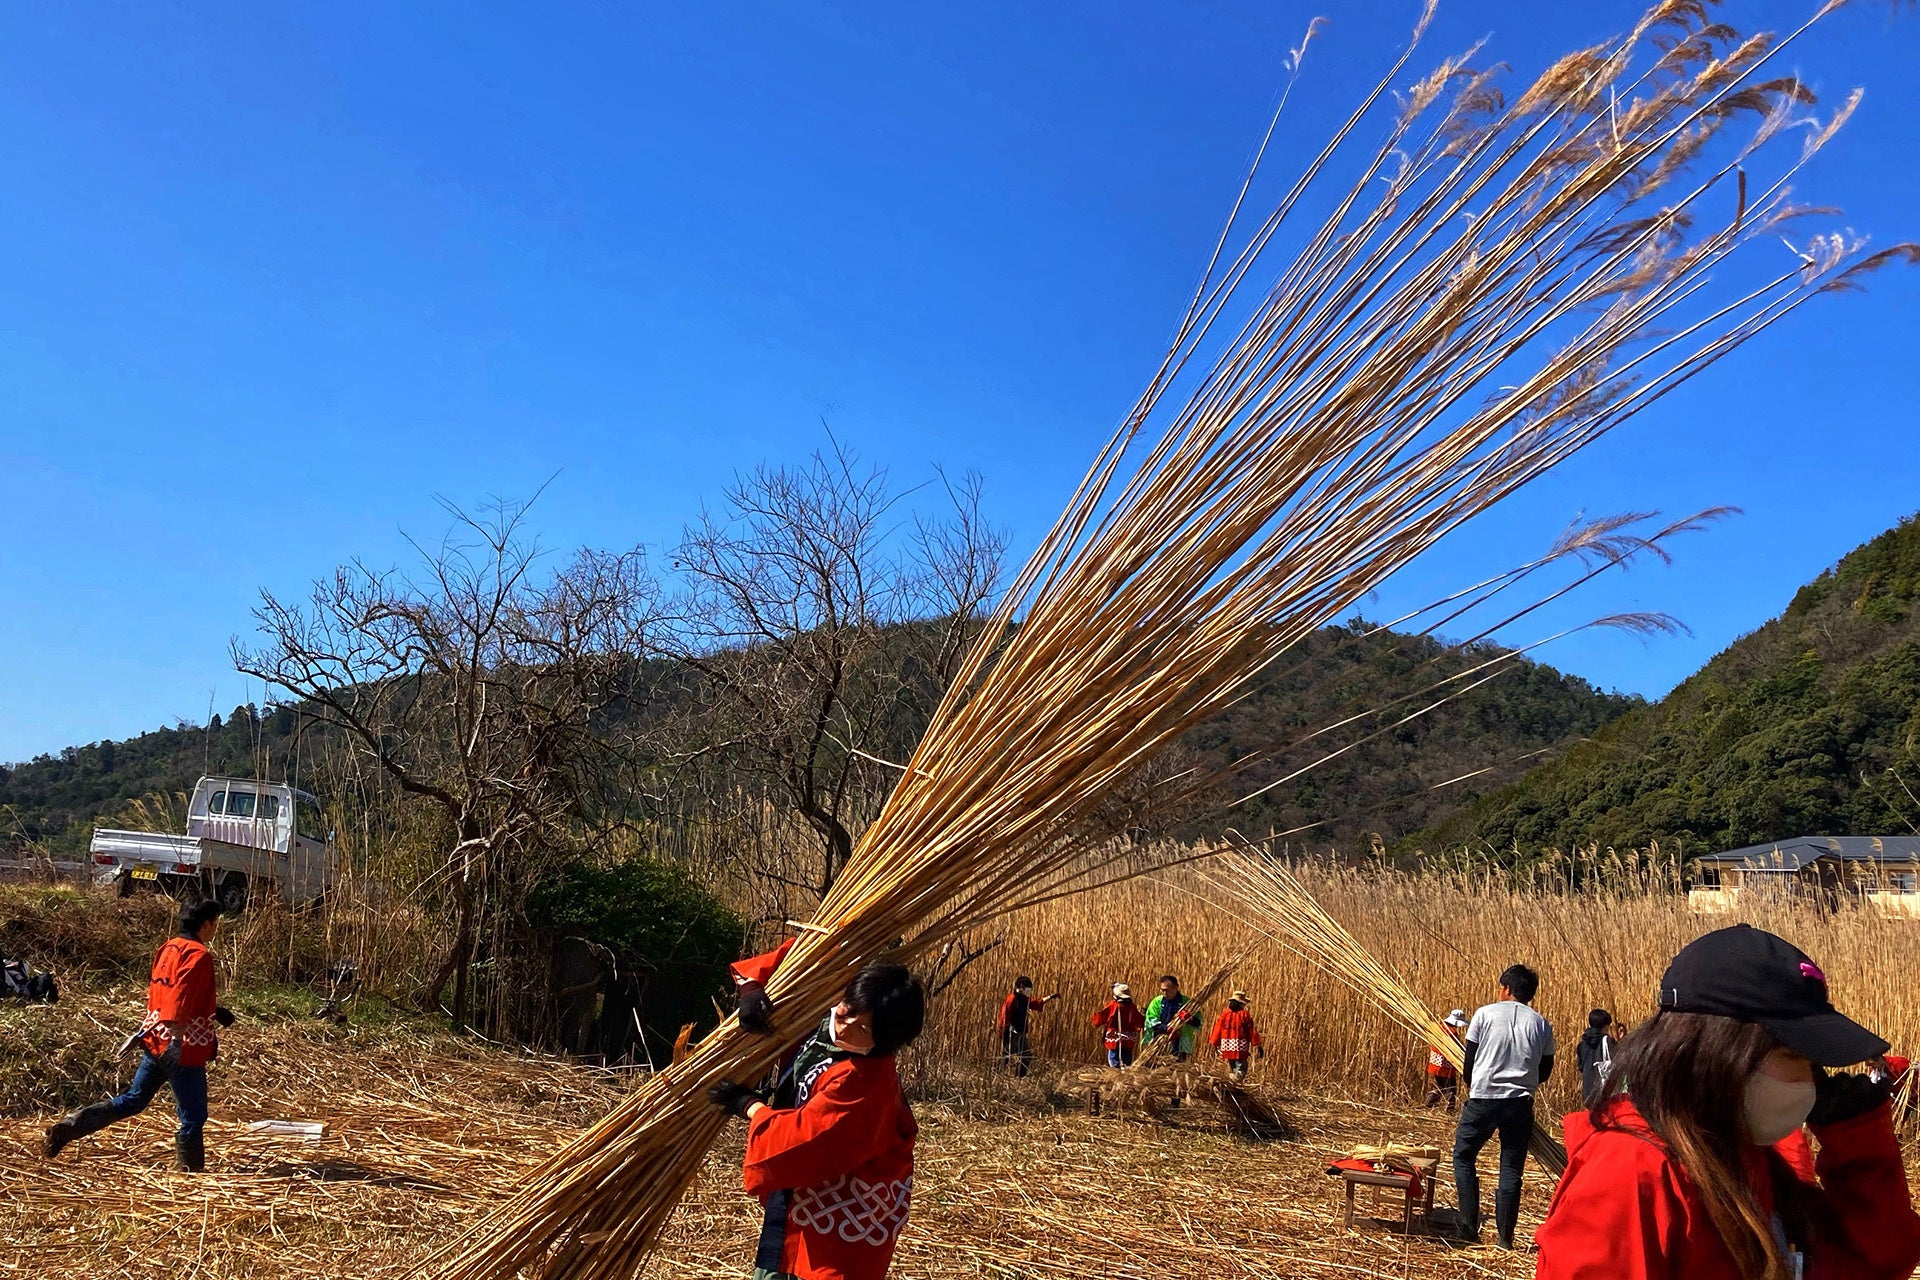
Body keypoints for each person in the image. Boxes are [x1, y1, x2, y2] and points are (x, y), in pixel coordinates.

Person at [1535, 924, 1920, 1279]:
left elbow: (1876, 1266)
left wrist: (1859, 1141)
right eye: (1795, 1057)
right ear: (1720, 1053)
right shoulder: (1634, 1174)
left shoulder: (1747, 1161)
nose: (1810, 1081)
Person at [708, 961, 925, 1280]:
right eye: (849, 1007)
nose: (844, 1021)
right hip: (798, 1214)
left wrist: (748, 1106)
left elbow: (802, 1140)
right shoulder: (821, 1017)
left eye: (862, 1027)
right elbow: (792, 956)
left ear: (886, 1043)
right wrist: (752, 990)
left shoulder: (864, 1087)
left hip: (830, 1244)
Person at [44, 900, 233, 1172]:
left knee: (134, 1100)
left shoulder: (167, 948)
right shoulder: (199, 955)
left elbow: (169, 992)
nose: (215, 929)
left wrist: (213, 1009)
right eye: (215, 924)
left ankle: (68, 1128)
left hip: (153, 1037)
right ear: (206, 924)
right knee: (194, 1115)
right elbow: (179, 1002)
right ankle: (190, 1174)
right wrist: (178, 1043)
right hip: (182, 1047)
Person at [1452, 963, 1554, 1249]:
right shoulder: (1541, 1024)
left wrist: (1473, 1083)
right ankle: (1505, 1240)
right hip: (1520, 1103)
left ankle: (1470, 1228)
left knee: (1463, 1156)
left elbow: (1469, 1060)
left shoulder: (1484, 1014)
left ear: (1507, 989)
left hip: (1485, 1097)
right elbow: (1545, 1070)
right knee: (1511, 1169)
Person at [996, 976, 1052, 1078]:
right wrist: (1003, 1033)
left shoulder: (1023, 999)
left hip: (1021, 1033)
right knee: (1006, 1056)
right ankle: (996, 1074)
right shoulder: (1012, 999)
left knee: (1026, 1056)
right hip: (1013, 1033)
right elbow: (1004, 1017)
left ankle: (1018, 1077)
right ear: (1021, 987)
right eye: (1028, 988)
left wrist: (1050, 997)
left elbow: (1035, 1003)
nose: (1029, 991)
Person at [1207, 990, 1264, 1080]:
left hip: (1227, 1046)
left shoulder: (1225, 1014)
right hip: (1240, 1047)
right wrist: (1258, 1045)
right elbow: (1251, 1030)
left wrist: (1214, 1043)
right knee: (1241, 1069)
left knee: (1233, 1067)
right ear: (1241, 1004)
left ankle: (1232, 1083)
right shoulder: (1244, 1014)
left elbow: (1217, 1029)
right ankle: (1234, 1081)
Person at [1143, 974, 1199, 1062]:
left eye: (1167, 990)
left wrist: (1190, 1018)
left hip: (1180, 1043)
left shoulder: (1187, 1003)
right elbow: (1151, 1022)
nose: (1164, 993)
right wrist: (1167, 1029)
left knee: (1177, 1069)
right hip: (1160, 1042)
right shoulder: (1157, 1002)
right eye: (1162, 990)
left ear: (1176, 987)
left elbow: (1198, 1022)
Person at [1091, 982, 1145, 1068]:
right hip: (1128, 1040)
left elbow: (1102, 1017)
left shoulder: (1114, 1005)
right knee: (1127, 1061)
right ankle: (1125, 1075)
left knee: (1114, 1060)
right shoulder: (1132, 1007)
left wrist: (1095, 1020)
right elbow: (1139, 1020)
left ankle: (1115, 1075)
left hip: (1115, 1039)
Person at [1424, 1009, 1468, 1112]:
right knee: (1451, 1088)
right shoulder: (1451, 1033)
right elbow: (1455, 1048)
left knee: (1441, 1086)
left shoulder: (1439, 1028)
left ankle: (1430, 1103)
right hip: (1445, 1067)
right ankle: (1450, 1110)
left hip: (1436, 1065)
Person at [1576, 1008, 1617, 1104]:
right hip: (1604, 1091)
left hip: (1587, 1091)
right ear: (1605, 1026)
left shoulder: (1582, 1044)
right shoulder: (1609, 1042)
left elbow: (1581, 1067)